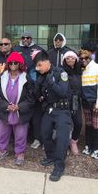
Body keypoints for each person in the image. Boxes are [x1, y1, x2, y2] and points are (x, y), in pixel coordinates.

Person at [34, 51, 72, 182]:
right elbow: (39, 95)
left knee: (62, 139)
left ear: (47, 61)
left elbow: (62, 92)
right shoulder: (42, 76)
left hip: (62, 110)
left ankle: (59, 166)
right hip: (50, 110)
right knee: (44, 134)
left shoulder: (61, 73)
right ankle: (50, 156)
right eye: (37, 66)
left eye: (40, 65)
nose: (38, 68)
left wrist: (50, 82)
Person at [0, 52, 35, 165]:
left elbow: (31, 98)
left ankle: (20, 153)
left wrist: (19, 107)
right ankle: (2, 150)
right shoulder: (1, 77)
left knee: (21, 134)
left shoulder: (26, 78)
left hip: (20, 112)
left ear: (20, 64)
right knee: (2, 133)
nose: (13, 65)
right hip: (5, 111)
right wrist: (6, 105)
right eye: (11, 63)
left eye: (16, 62)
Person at [13, 31, 44, 148]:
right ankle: (21, 137)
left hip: (35, 85)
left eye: (28, 38)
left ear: (31, 38)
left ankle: (36, 138)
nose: (25, 39)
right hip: (20, 85)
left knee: (36, 114)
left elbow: (42, 67)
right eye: (23, 38)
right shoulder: (16, 49)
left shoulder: (38, 49)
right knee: (22, 110)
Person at [61, 51, 83, 155]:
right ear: (64, 60)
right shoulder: (61, 71)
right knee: (66, 124)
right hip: (65, 100)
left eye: (72, 58)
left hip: (76, 100)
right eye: (68, 58)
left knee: (78, 123)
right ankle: (64, 143)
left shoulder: (80, 71)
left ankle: (73, 141)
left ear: (76, 59)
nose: (70, 60)